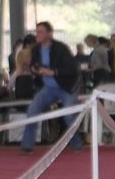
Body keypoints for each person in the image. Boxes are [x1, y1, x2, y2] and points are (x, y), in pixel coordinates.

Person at [20, 22, 82, 153]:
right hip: (48, 88)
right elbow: (33, 65)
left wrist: (53, 72)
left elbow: (72, 69)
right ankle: (27, 146)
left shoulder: (61, 49)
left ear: (49, 34)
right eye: (37, 31)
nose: (37, 34)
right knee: (32, 110)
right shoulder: (35, 49)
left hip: (67, 87)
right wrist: (33, 69)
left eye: (41, 32)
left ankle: (76, 144)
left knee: (69, 116)